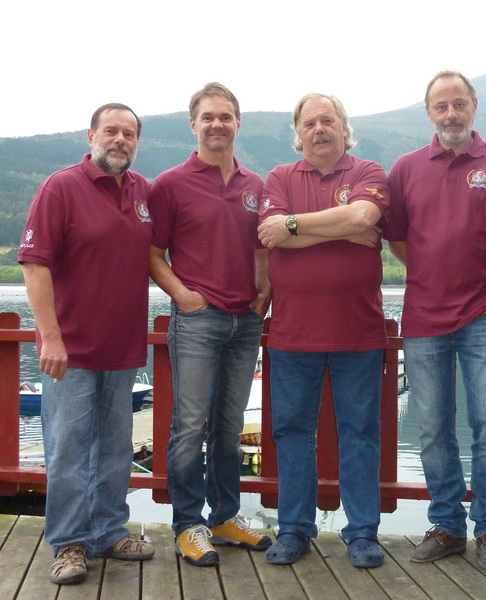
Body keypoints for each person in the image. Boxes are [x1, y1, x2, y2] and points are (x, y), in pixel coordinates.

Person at [383, 71, 486, 569]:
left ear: (474, 106)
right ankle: (446, 525)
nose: (451, 114)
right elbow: (398, 240)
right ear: (429, 112)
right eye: (441, 106)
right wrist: (431, 271)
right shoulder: (406, 168)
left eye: (459, 104)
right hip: (424, 317)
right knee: (433, 428)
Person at [19, 103, 155, 585]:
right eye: (111, 131)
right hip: (70, 351)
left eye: (129, 134)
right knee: (68, 450)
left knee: (116, 449)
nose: (120, 140)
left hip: (122, 348)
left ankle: (108, 531)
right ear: (91, 135)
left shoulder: (142, 192)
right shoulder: (60, 187)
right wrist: (51, 338)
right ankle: (69, 543)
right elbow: (34, 265)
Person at [257, 92, 389, 569]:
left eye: (327, 120)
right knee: (292, 432)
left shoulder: (369, 171)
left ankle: (362, 533)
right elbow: (271, 233)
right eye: (309, 122)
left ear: (343, 127)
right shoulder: (279, 177)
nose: (319, 129)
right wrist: (342, 229)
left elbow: (364, 216)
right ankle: (294, 529)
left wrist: (296, 226)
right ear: (298, 133)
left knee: (360, 434)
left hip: (359, 332)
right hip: (293, 334)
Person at [149, 82, 271, 567]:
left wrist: (264, 295)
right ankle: (187, 525)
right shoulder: (170, 184)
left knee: (228, 425)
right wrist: (183, 296)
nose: (217, 124)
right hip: (197, 321)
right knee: (188, 427)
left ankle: (224, 518)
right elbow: (152, 254)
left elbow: (262, 248)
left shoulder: (255, 185)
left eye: (226, 116)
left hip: (246, 321)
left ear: (238, 124)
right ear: (193, 125)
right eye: (208, 117)